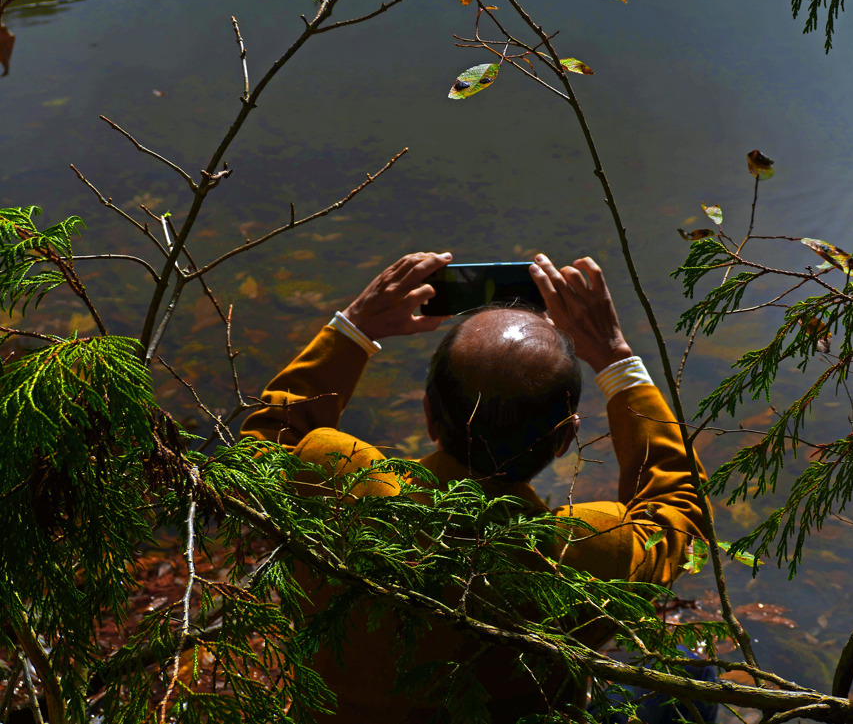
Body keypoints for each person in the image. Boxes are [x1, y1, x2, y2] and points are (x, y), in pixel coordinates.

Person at [241, 251, 707, 723]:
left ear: (428, 416)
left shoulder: (334, 478)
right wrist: (614, 357)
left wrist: (356, 326)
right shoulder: (588, 550)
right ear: (567, 437)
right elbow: (679, 508)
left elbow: (258, 446)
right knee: (694, 677)